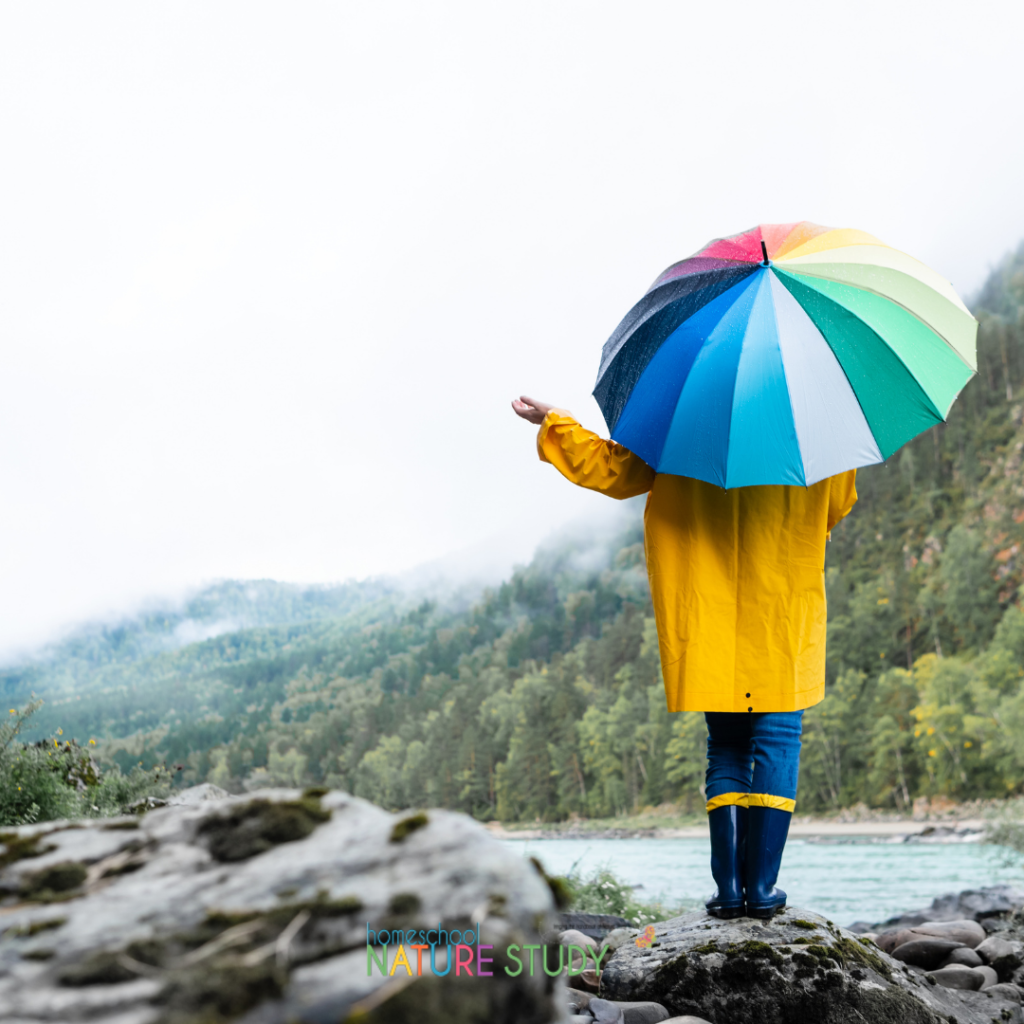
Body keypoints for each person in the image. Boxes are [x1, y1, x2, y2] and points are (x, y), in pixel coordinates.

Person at [511, 395, 857, 919]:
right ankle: (761, 891)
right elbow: (836, 505)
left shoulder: (685, 412)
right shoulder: (819, 424)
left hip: (709, 612)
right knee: (778, 739)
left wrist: (555, 423)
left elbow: (614, 470)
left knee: (728, 747)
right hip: (782, 612)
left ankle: (727, 892)